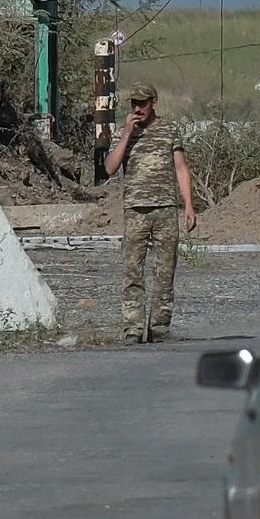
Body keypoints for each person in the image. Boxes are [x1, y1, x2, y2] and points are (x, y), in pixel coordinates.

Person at [104, 83, 197, 343]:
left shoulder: (169, 129)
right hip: (135, 211)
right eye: (134, 103)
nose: (137, 108)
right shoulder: (126, 132)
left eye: (142, 103)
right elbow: (110, 168)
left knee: (165, 272)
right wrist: (126, 134)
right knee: (133, 272)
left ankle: (159, 328)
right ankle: (132, 329)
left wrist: (188, 204)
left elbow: (180, 167)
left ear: (153, 102)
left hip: (165, 209)